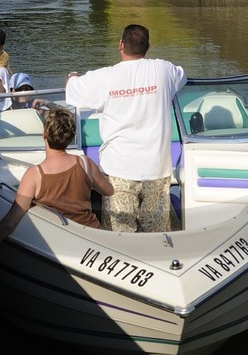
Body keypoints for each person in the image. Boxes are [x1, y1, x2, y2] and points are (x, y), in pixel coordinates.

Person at [64, 24, 186, 232]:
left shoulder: (104, 77)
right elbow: (181, 76)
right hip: (156, 167)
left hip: (118, 169)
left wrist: (72, 76)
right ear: (148, 47)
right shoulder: (164, 70)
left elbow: (73, 90)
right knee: (156, 231)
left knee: (120, 232)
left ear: (121, 45)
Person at [0, 105, 116, 275]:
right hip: (94, 236)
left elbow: (10, 222)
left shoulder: (34, 175)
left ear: (44, 134)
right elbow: (109, 191)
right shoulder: (85, 163)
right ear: (71, 137)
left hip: (62, 244)